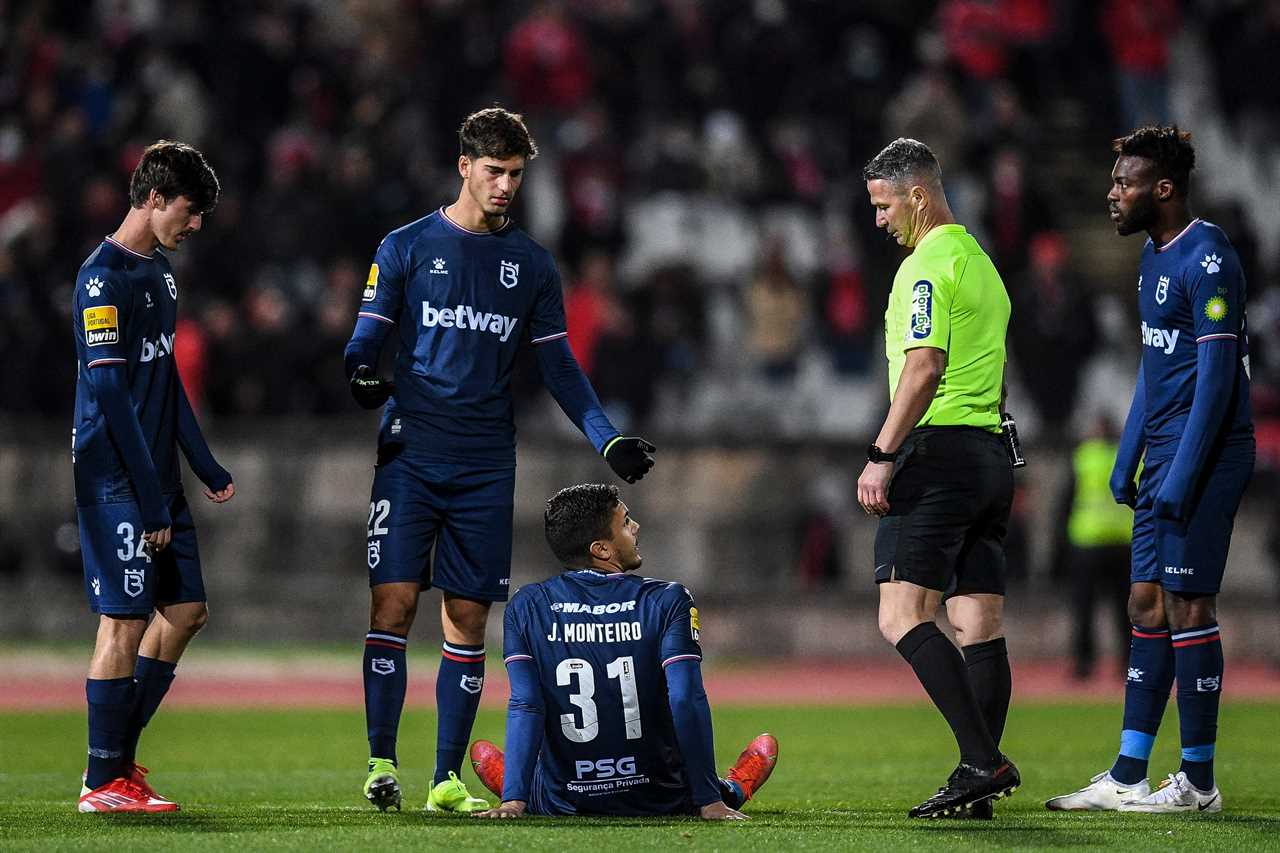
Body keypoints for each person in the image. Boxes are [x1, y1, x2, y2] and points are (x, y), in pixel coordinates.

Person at [344, 107, 656, 813]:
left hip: (486, 462)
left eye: (516, 173)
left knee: (468, 617)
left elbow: (561, 369)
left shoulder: (532, 268)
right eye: (494, 171)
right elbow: (365, 338)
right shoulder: (406, 246)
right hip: (410, 454)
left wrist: (608, 437)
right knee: (392, 603)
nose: (506, 185)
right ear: (464, 166)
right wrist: (362, 370)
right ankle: (381, 761)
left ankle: (445, 777)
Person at [1046, 127, 1253, 814]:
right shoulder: (1150, 257)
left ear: (1161, 188)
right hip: (1163, 453)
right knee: (1143, 602)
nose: (1111, 193)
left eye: (1123, 182)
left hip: (1209, 451)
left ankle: (1198, 783)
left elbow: (1217, 382)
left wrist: (1182, 473)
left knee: (1191, 604)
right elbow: (1156, 368)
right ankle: (1129, 771)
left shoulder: (1210, 256)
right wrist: (1131, 453)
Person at [857, 138, 1019, 819]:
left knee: (900, 615)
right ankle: (977, 780)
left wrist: (881, 452)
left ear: (917, 195)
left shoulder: (925, 265)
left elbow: (923, 367)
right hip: (990, 452)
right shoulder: (980, 262)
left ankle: (982, 760)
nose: (879, 219)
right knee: (976, 620)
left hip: (940, 452)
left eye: (883, 204)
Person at [72, 141, 235, 812]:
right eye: (191, 212)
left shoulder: (161, 276)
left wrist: (202, 463)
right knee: (125, 617)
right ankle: (100, 780)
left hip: (156, 474)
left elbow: (163, 378)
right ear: (156, 198)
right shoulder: (100, 279)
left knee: (187, 611)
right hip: (114, 473)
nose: (194, 226)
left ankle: (115, 758)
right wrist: (148, 497)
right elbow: (110, 396)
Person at [466, 483, 778, 819]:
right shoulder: (668, 600)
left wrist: (513, 802)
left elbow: (526, 703)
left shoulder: (526, 606)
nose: (636, 527)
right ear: (601, 549)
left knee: (526, 778)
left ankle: (517, 789)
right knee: (706, 787)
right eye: (626, 521)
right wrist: (708, 802)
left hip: (565, 801)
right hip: (663, 797)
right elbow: (685, 698)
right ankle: (729, 789)